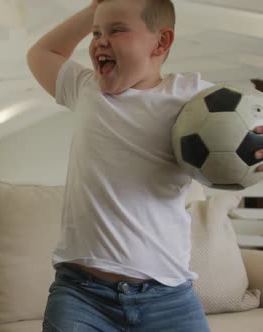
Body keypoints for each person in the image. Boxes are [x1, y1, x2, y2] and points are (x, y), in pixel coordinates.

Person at [27, 0, 263, 331]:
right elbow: (42, 53)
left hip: (168, 297)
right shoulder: (85, 90)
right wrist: (93, 9)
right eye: (96, 33)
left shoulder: (194, 99)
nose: (100, 41)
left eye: (117, 30)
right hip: (82, 294)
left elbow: (246, 121)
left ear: (162, 42)